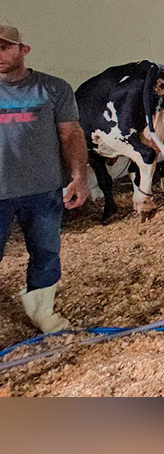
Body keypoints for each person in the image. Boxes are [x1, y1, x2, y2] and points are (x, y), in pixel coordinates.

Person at [0, 24, 90, 332]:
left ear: (23, 50)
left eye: (4, 48)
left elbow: (71, 134)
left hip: (42, 190)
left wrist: (79, 177)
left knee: (46, 252)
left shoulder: (52, 88)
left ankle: (42, 312)